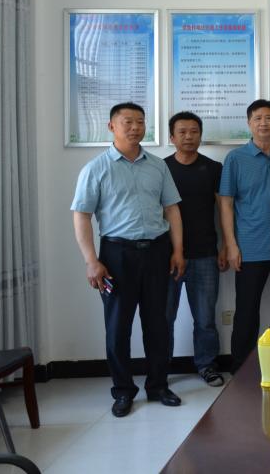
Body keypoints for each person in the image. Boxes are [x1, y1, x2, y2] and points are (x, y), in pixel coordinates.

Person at [71, 102, 186, 417]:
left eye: (140, 122)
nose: (135, 127)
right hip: (117, 256)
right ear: (112, 126)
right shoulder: (96, 168)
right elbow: (81, 216)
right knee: (117, 327)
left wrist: (177, 250)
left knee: (158, 324)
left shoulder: (157, 166)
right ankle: (123, 391)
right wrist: (91, 260)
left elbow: (172, 209)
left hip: (158, 252)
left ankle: (158, 386)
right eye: (128, 122)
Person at [219, 99, 270, 372]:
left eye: (269, 117)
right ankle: (241, 367)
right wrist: (231, 245)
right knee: (246, 311)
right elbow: (226, 203)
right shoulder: (235, 158)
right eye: (257, 118)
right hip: (249, 248)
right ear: (249, 123)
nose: (263, 123)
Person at [164, 111, 226, 388]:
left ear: (200, 135)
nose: (188, 137)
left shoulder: (213, 169)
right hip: (166, 257)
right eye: (182, 132)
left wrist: (226, 246)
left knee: (205, 318)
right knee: (164, 317)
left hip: (205, 254)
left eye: (194, 131)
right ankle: (160, 369)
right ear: (171, 137)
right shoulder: (160, 168)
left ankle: (207, 365)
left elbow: (223, 209)